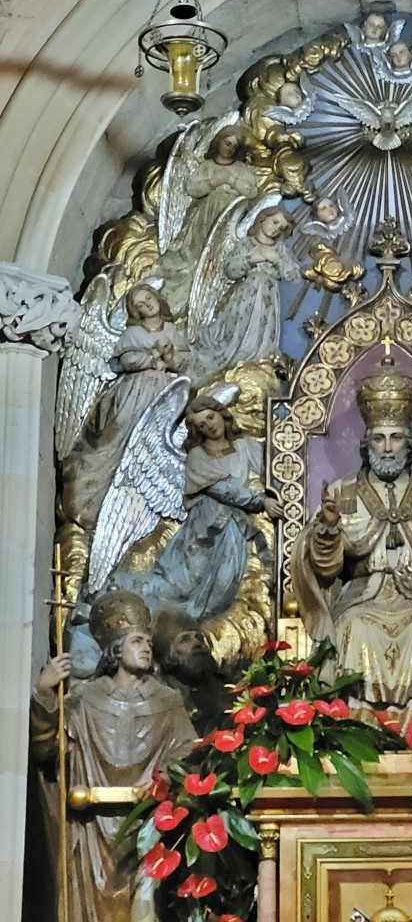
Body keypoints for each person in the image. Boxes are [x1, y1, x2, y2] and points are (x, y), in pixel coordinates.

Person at [290, 363, 412, 722]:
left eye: (395, 438)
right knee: (353, 630)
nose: (388, 447)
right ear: (368, 444)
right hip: (363, 598)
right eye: (379, 438)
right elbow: (325, 570)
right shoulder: (341, 493)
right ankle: (356, 731)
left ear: (408, 444)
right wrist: (328, 532)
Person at [30, 590, 196, 922]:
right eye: (137, 641)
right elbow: (48, 750)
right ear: (116, 648)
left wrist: (164, 778)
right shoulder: (83, 699)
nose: (147, 647)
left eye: (148, 641)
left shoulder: (169, 701)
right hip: (90, 831)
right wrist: (46, 693)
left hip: (146, 831)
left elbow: (189, 752)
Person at [128, 395, 283, 621]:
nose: (210, 425)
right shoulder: (197, 457)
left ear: (221, 414)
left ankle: (187, 622)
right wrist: (261, 501)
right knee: (182, 583)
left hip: (233, 531)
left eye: (211, 417)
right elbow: (223, 489)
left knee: (224, 587)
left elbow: (274, 470)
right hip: (203, 532)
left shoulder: (245, 446)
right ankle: (142, 610)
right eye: (202, 424)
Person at [61, 283, 187, 529]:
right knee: (120, 437)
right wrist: (153, 356)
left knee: (153, 444)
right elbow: (127, 360)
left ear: (158, 298)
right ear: (136, 311)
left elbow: (184, 363)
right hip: (134, 392)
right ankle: (93, 497)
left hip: (165, 397)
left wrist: (171, 357)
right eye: (140, 304)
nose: (147, 304)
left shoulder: (173, 330)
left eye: (148, 298)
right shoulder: (133, 334)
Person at [158, 125, 264, 315]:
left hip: (226, 220)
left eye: (234, 145)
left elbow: (252, 191)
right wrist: (213, 182)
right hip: (204, 217)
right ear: (219, 141)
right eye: (227, 143)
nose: (230, 148)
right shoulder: (206, 166)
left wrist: (232, 181)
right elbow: (192, 188)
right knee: (192, 252)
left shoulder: (241, 169)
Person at [193, 204, 300, 373]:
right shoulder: (247, 244)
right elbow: (229, 268)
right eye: (274, 222)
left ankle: (258, 360)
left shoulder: (280, 249)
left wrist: (279, 261)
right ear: (263, 218)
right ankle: (237, 355)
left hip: (268, 297)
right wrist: (251, 259)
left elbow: (294, 276)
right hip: (246, 294)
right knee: (238, 329)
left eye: (281, 228)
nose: (275, 229)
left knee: (263, 331)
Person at [153, 607, 228, 736]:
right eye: (185, 640)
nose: (197, 643)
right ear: (168, 656)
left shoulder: (226, 688)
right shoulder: (159, 705)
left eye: (199, 637)